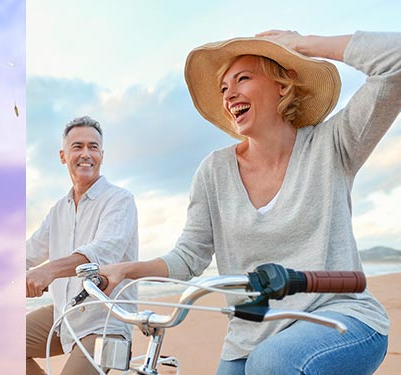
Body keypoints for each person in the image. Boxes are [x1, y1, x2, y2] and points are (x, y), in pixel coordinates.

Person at [101, 30, 401, 375]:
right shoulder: (214, 171)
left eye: (243, 78)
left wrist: (301, 45)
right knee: (263, 360)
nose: (230, 94)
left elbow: (395, 60)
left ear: (283, 85)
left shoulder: (333, 145)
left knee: (273, 362)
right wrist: (127, 271)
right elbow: (189, 255)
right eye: (224, 88)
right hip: (249, 334)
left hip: (340, 317)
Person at [26, 115, 139, 374]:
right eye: (77, 146)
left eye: (93, 147)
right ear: (63, 156)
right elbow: (27, 254)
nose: (86, 153)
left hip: (106, 321)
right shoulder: (58, 210)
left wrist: (48, 271)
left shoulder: (120, 200)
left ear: (101, 154)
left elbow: (103, 252)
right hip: (64, 315)